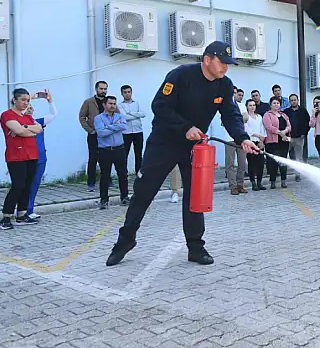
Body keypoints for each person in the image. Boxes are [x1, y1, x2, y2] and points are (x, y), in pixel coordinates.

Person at [106, 42, 258, 267]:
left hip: (193, 148)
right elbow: (160, 106)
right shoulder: (180, 75)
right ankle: (125, 241)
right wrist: (185, 127)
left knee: (195, 198)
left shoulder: (225, 85)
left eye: (228, 64)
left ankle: (195, 247)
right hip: (164, 143)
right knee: (143, 193)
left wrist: (242, 138)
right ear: (207, 60)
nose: (226, 68)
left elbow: (230, 115)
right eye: (222, 63)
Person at [0, 88, 42, 230]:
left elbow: (39, 128)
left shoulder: (27, 117)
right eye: (23, 100)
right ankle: (6, 216)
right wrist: (26, 130)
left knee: (27, 185)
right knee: (18, 185)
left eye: (28, 100)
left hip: (31, 154)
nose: (25, 103)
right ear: (14, 100)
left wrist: (24, 127)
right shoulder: (7, 115)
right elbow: (19, 131)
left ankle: (22, 214)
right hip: (15, 156)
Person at [94, 96, 130, 209]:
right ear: (104, 105)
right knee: (105, 176)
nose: (113, 106)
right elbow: (101, 133)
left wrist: (108, 127)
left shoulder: (120, 116)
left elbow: (124, 126)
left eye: (114, 103)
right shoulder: (98, 118)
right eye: (110, 103)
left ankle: (124, 197)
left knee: (123, 174)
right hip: (105, 150)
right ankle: (104, 200)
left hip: (119, 149)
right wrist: (116, 126)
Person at [26, 90, 57, 219]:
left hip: (41, 158)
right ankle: (21, 210)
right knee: (25, 184)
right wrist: (30, 98)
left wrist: (50, 101)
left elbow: (53, 115)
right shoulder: (19, 123)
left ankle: (30, 209)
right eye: (27, 107)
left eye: (31, 108)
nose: (29, 109)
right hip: (27, 158)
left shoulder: (38, 122)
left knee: (35, 184)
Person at [262, 97, 291, 189]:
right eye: (274, 103)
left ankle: (283, 180)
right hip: (272, 142)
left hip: (283, 141)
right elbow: (268, 126)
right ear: (270, 104)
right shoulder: (267, 115)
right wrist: (280, 132)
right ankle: (273, 181)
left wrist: (285, 131)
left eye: (278, 103)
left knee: (283, 161)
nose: (276, 105)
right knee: (272, 162)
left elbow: (289, 126)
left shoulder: (283, 115)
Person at [119, 85, 146, 175]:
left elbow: (143, 114)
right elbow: (124, 117)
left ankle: (138, 172)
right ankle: (124, 173)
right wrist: (136, 115)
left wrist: (130, 112)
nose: (127, 94)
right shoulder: (120, 105)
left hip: (138, 131)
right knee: (124, 154)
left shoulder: (137, 103)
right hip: (126, 132)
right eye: (125, 92)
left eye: (129, 92)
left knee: (138, 153)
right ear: (122, 94)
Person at [244, 99, 267, 191]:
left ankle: (259, 183)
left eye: (253, 105)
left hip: (259, 142)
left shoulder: (259, 117)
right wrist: (257, 135)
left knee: (260, 163)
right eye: (250, 105)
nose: (252, 107)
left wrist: (262, 141)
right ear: (247, 107)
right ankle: (253, 183)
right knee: (252, 164)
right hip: (250, 142)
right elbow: (247, 130)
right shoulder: (246, 118)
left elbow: (262, 129)